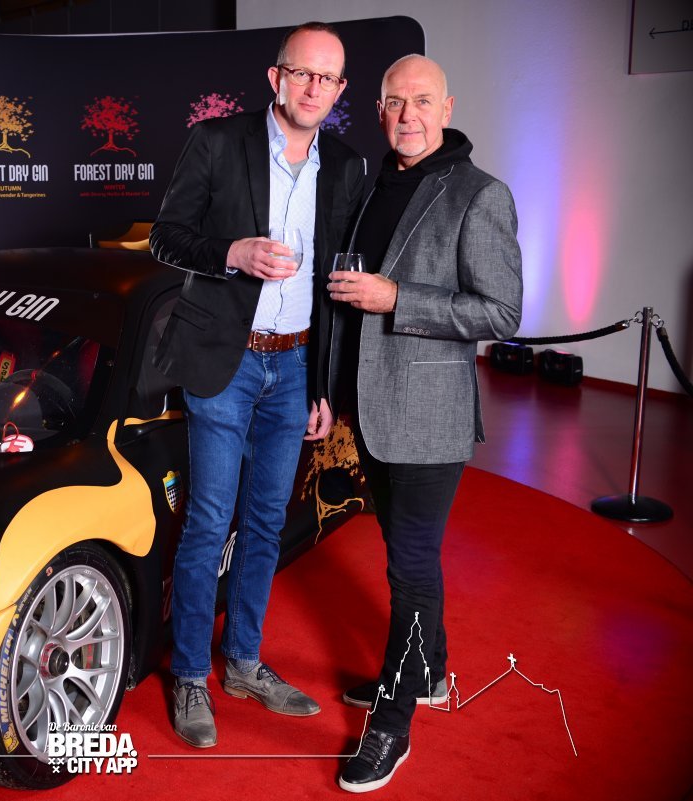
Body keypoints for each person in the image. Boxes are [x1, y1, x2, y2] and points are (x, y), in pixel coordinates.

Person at [150, 22, 366, 748]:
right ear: (276, 78)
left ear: (339, 90)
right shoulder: (217, 141)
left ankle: (243, 661)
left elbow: (335, 287)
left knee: (268, 522)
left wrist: (325, 387)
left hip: (295, 366)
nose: (313, 87)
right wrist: (232, 253)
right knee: (210, 522)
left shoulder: (346, 165)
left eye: (327, 78)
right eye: (301, 73)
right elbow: (166, 236)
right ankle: (190, 673)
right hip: (226, 360)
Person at [325, 54, 522, 792]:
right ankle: (430, 672)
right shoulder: (371, 185)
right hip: (371, 407)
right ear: (379, 109)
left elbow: (501, 312)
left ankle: (394, 718)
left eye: (422, 101)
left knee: (409, 568)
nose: (408, 115)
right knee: (406, 553)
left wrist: (397, 298)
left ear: (447, 106)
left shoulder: (480, 194)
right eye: (395, 102)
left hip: (430, 416)